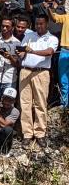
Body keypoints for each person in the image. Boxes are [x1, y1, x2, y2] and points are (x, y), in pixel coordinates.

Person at [19, 14, 58, 148]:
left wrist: (32, 51)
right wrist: (21, 53)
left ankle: (40, 133)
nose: (39, 26)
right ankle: (27, 134)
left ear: (46, 24)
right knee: (25, 104)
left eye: (41, 24)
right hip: (25, 71)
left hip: (41, 72)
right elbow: (23, 50)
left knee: (40, 104)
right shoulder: (29, 35)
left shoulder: (52, 38)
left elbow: (49, 52)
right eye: (37, 24)